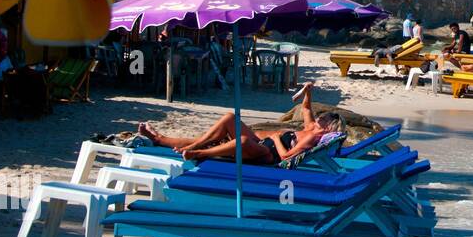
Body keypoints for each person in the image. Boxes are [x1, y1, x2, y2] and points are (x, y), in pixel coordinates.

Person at [138, 82, 342, 164]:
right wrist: (308, 90)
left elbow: (286, 157)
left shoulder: (312, 138)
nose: (319, 117)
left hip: (267, 154)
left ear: (327, 126)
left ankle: (197, 152)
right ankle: (163, 140)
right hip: (260, 143)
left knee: (241, 141)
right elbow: (306, 108)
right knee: (229, 119)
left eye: (323, 118)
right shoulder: (309, 126)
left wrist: (276, 138)